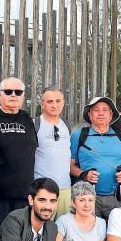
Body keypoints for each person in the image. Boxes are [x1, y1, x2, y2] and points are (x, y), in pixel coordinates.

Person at [0, 77, 37, 227]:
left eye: (18, 92)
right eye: (8, 92)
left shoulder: (27, 118)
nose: (13, 95)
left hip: (24, 195)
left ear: (23, 96)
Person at [70, 96, 121, 219]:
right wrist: (84, 174)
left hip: (116, 197)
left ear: (111, 116)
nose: (101, 113)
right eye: (96, 110)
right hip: (87, 197)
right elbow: (70, 165)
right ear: (90, 115)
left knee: (115, 235)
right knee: (89, 234)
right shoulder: (79, 135)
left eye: (105, 110)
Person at [34, 86, 73, 218]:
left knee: (63, 232)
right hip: (43, 190)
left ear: (63, 102)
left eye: (58, 101)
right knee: (42, 230)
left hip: (65, 189)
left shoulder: (67, 126)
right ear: (42, 104)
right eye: (50, 101)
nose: (54, 105)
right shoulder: (35, 124)